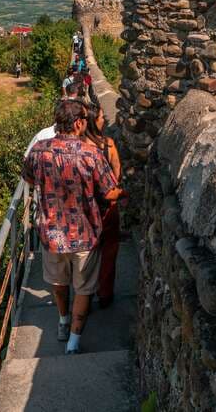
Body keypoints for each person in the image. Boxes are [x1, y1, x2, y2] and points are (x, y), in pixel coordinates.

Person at [22, 99, 119, 355]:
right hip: (85, 233)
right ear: (78, 123)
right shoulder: (91, 153)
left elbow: (28, 178)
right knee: (84, 288)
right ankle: (74, 342)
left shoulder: (39, 150)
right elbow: (109, 193)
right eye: (84, 121)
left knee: (58, 282)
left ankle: (63, 320)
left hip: (52, 233)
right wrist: (123, 192)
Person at [82, 100, 122, 309]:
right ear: (93, 121)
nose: (105, 119)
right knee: (109, 250)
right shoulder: (108, 145)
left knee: (86, 254)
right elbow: (116, 175)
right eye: (101, 117)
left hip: (84, 210)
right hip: (107, 208)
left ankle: (84, 297)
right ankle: (105, 293)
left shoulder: (78, 147)